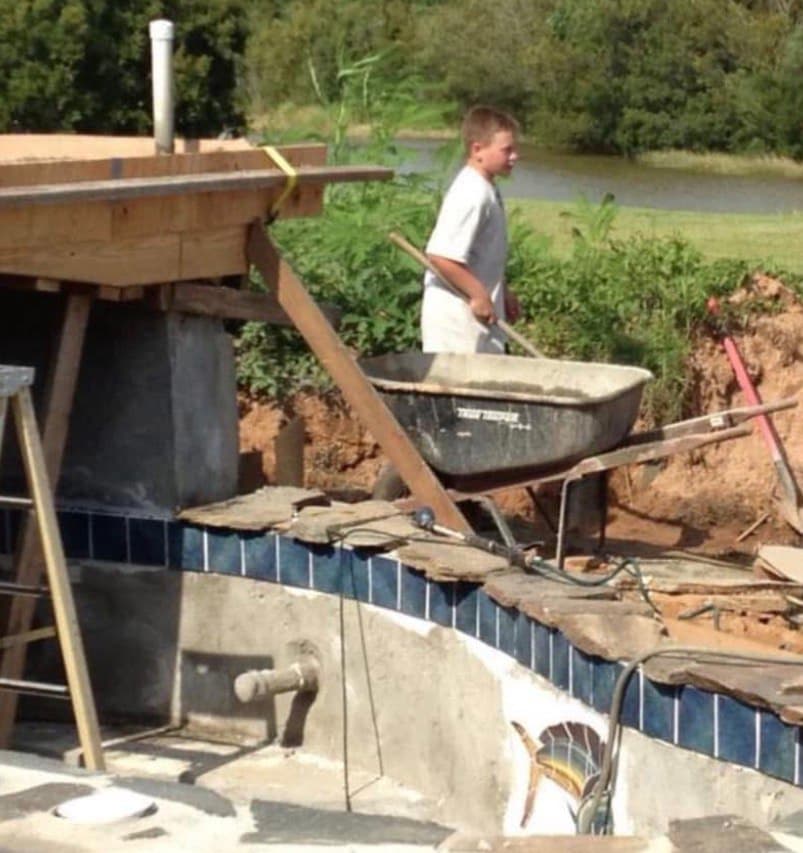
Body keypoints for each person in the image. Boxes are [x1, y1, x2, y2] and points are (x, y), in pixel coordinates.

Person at [421, 105, 521, 354]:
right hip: (457, 321)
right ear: (477, 150)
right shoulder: (471, 193)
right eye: (506, 150)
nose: (514, 156)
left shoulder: (486, 188)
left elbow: (485, 254)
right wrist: (478, 295)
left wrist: (503, 292)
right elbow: (441, 256)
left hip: (479, 318)